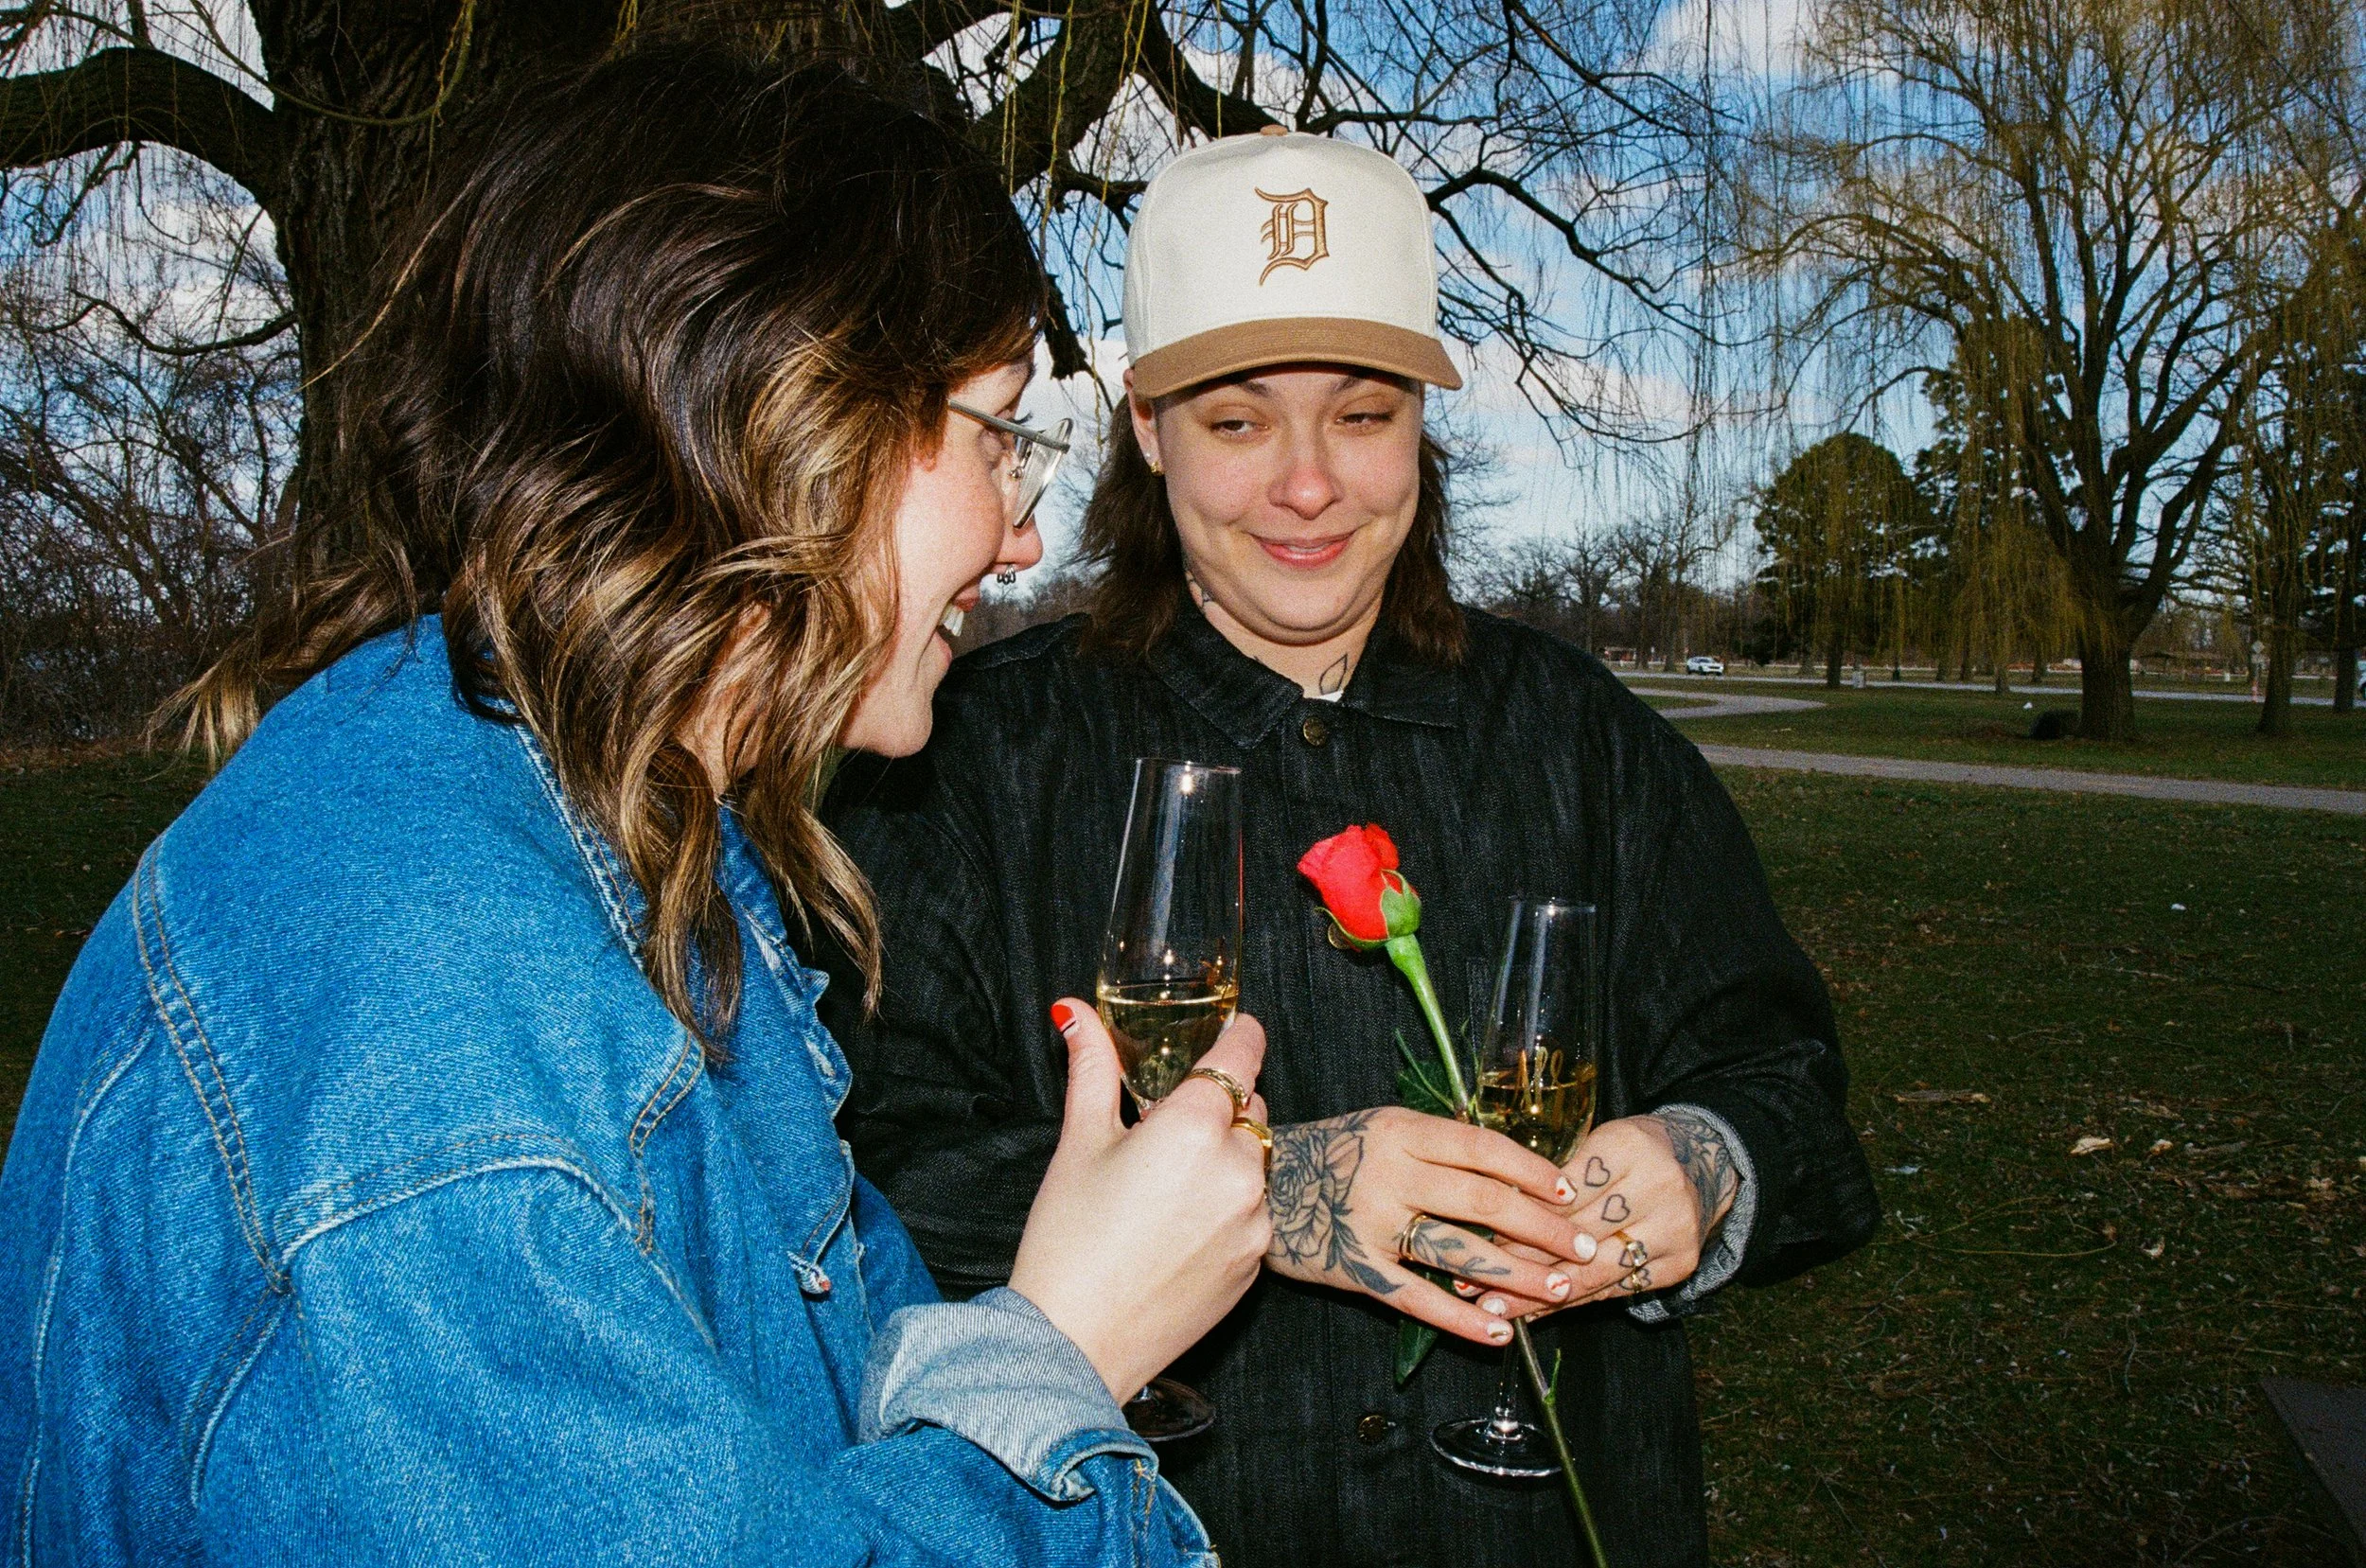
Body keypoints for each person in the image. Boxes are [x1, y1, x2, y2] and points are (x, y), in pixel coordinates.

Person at [0, 51, 1277, 1565]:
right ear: (788, 419)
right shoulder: (435, 1040)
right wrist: (1059, 1356)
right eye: (998, 434)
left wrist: (1039, 1311)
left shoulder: (623, 831)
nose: (1020, 530)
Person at [822, 129, 1880, 1568]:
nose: (1308, 487)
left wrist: (1706, 1166)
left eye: (1365, 415)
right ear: (1145, 428)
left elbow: (1790, 1089)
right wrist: (1289, 1192)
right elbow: (863, 1182)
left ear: (1422, 430)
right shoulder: (962, 762)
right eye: (1240, 421)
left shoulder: (1580, 737)